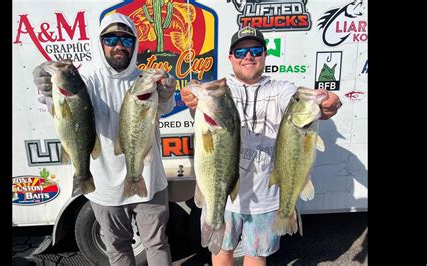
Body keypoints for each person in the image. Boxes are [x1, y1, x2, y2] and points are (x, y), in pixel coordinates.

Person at [181, 26, 342, 266]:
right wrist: (191, 94)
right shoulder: (222, 91)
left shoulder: (281, 89)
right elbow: (199, 99)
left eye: (255, 50)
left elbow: (311, 105)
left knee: (256, 256)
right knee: (221, 252)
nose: (248, 56)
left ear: (265, 55)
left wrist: (330, 102)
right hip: (223, 192)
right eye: (240, 51)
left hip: (267, 196)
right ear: (231, 57)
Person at [32, 13, 176, 266]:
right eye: (110, 39)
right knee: (117, 247)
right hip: (104, 186)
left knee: (156, 243)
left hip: (149, 180)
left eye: (126, 40)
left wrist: (165, 94)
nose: (118, 45)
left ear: (135, 44)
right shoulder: (86, 79)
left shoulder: (146, 80)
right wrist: (47, 87)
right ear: (100, 44)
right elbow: (60, 106)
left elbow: (164, 108)